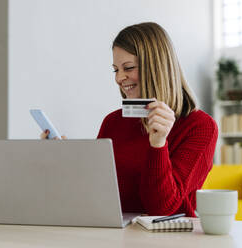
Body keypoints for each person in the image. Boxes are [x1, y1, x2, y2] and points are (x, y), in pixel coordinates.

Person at [42, 22, 218, 217]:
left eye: (128, 68)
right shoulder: (112, 122)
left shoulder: (200, 127)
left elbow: (162, 208)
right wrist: (63, 161)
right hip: (114, 233)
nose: (119, 78)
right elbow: (95, 192)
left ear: (155, 67)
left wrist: (158, 145)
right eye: (115, 70)